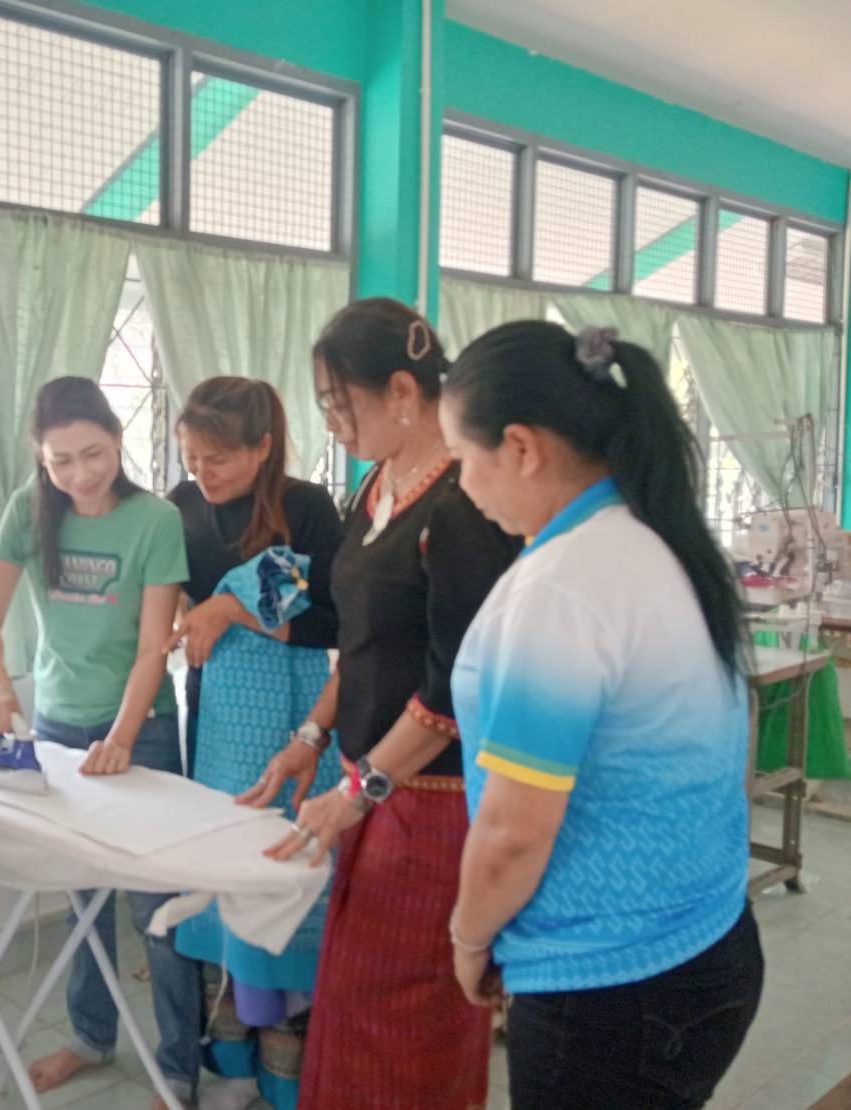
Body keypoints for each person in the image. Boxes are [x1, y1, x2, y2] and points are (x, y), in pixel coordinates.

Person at [442, 322, 763, 1110]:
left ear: (521, 447)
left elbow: (514, 832)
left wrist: (469, 936)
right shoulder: (661, 537)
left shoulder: (562, 587)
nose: (464, 485)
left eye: (462, 459)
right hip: (710, 941)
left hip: (610, 990)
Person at [245, 299, 521, 1109]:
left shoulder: (463, 504)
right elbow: (364, 642)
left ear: (402, 390)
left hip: (432, 805)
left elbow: (452, 685)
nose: (332, 423)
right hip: (370, 787)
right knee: (354, 1010)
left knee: (407, 1022)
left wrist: (359, 789)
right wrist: (312, 735)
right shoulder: (376, 486)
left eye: (341, 404)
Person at [0, 376, 202, 1109]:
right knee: (84, 902)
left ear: (119, 441)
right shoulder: (27, 510)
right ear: (41, 460)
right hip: (59, 727)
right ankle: (92, 1038)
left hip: (142, 727)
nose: (80, 474)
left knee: (158, 911)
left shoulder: (154, 520)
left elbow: (153, 646)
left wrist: (123, 737)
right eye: (60, 461)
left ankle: (178, 1068)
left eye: (93, 454)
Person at [163, 377, 343, 1110]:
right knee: (220, 875)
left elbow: (335, 622)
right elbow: (168, 601)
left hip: (295, 719)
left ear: (263, 448)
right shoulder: (180, 506)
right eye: (192, 458)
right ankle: (231, 1060)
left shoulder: (307, 507)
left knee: (284, 879)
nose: (202, 474)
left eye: (219, 460)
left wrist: (232, 609)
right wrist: (193, 611)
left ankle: (287, 1069)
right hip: (216, 719)